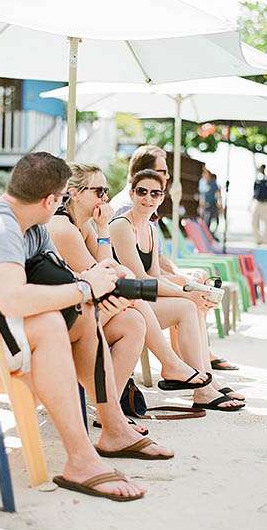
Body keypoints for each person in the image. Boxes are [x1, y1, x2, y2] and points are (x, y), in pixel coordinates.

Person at [0, 152, 172, 502]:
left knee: (84, 318)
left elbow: (65, 282)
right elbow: (13, 301)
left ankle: (114, 430)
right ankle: (80, 459)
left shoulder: (30, 229)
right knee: (48, 323)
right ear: (51, 199)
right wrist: (84, 288)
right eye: (62, 197)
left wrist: (100, 282)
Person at [47, 164, 213, 422]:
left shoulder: (86, 225)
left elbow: (108, 267)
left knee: (134, 323)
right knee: (133, 296)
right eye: (99, 191)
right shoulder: (64, 228)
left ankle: (109, 414)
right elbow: (101, 276)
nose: (105, 198)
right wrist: (105, 234)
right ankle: (169, 364)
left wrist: (102, 235)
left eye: (106, 191)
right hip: (62, 316)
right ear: (75, 193)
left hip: (85, 308)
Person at [109, 169, 245, 411]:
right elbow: (140, 280)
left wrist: (195, 290)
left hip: (143, 298)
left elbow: (155, 276)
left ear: (162, 198)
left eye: (155, 193)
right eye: (142, 191)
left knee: (193, 305)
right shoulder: (121, 226)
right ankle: (203, 388)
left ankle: (206, 381)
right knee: (186, 305)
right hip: (126, 302)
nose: (148, 198)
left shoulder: (150, 229)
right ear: (131, 193)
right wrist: (186, 293)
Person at [252, 164, 267, 244]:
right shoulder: (257, 181)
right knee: (254, 222)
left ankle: (266, 240)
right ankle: (258, 240)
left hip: (266, 203)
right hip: (258, 203)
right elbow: (254, 193)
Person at [199, 168, 221, 234]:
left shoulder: (213, 184)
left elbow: (218, 194)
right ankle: (206, 234)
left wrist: (220, 205)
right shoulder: (203, 183)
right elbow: (202, 194)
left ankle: (211, 234)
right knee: (206, 222)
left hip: (213, 206)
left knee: (214, 221)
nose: (204, 175)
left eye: (205, 174)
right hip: (205, 206)